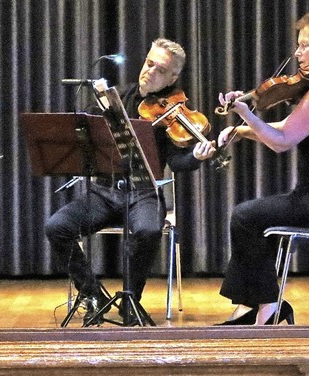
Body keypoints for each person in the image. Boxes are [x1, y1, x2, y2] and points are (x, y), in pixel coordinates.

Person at [44, 38, 216, 325]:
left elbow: (177, 162)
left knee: (148, 230)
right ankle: (92, 294)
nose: (150, 72)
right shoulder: (116, 98)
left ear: (173, 77)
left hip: (144, 193)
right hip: (104, 191)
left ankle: (131, 298)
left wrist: (198, 157)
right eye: (149, 63)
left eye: (161, 70)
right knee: (57, 227)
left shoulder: (177, 113)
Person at [216, 12, 309, 325]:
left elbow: (282, 141)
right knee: (257, 220)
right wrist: (241, 130)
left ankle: (266, 307)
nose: (297, 52)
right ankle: (255, 308)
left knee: (246, 216)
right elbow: (286, 126)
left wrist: (246, 115)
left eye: (305, 45)